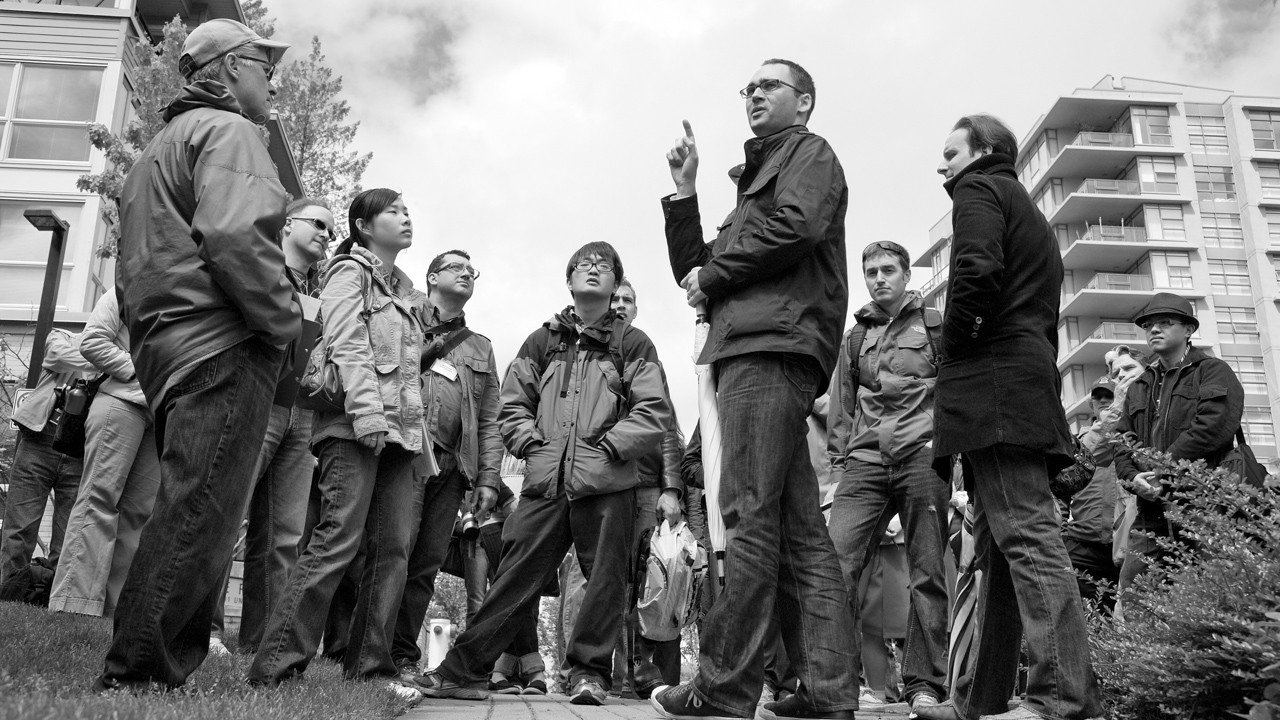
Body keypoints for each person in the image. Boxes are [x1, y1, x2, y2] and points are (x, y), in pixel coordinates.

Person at [97, 18, 299, 691]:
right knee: (200, 512)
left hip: (169, 346)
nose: (272, 77)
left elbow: (134, 266)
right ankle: (141, 672)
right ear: (233, 66)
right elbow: (237, 236)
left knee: (187, 505)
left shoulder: (158, 147)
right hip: (222, 340)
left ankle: (145, 663)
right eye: (263, 64)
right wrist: (285, 322)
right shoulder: (233, 131)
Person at [656, 58, 859, 720]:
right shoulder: (756, 187)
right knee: (799, 533)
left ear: (804, 102)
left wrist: (712, 281)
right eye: (748, 87)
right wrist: (683, 192)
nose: (753, 94)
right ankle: (829, 694)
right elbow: (697, 270)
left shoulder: (808, 154)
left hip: (771, 347)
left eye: (769, 85)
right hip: (757, 346)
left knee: (745, 517)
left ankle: (723, 690)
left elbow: (793, 229)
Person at [415, 241, 673, 707]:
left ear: (615, 283)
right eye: (583, 264)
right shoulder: (543, 340)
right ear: (570, 278)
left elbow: (653, 411)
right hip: (545, 481)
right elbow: (512, 405)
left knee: (605, 581)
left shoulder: (633, 343)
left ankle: (588, 675)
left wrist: (609, 448)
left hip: (607, 481)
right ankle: (463, 671)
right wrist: (533, 447)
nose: (593, 270)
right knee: (514, 575)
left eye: (604, 266)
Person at [916, 114, 1101, 720]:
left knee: (1026, 536)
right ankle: (981, 699)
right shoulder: (1033, 216)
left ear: (985, 152)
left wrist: (955, 350)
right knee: (998, 553)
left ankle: (1058, 700)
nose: (942, 166)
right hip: (1021, 387)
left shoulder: (980, 188)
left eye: (950, 153)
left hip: (994, 387)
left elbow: (975, 272)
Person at [248, 188, 431, 702]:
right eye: (395, 210)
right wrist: (369, 413)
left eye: (407, 209)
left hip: (400, 437)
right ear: (365, 225)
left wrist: (418, 445)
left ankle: (370, 670)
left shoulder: (405, 290)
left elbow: (410, 377)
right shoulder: (347, 271)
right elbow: (347, 342)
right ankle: (276, 666)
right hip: (354, 427)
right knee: (335, 541)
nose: (406, 216)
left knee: (393, 549)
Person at [826, 240, 948, 711]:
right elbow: (841, 407)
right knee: (836, 564)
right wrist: (839, 467)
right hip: (866, 461)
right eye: (870, 271)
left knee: (927, 571)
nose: (878, 278)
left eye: (887, 270)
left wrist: (948, 450)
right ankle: (838, 681)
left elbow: (954, 390)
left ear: (905, 275)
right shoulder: (855, 338)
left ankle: (924, 683)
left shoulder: (935, 326)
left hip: (923, 454)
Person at [392, 249, 503, 677]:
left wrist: (488, 479)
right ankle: (362, 652)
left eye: (471, 270)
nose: (466, 274)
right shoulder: (404, 317)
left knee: (425, 565)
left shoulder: (480, 346)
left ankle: (401, 657)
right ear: (432, 276)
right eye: (456, 267)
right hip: (404, 455)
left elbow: (491, 417)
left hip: (453, 469)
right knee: (390, 553)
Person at [234, 197, 334, 653]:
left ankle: (260, 645)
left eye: (330, 232)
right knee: (226, 518)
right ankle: (204, 631)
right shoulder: (264, 267)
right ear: (288, 223)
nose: (326, 236)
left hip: (302, 416)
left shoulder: (323, 287)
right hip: (257, 404)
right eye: (318, 224)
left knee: (284, 537)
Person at [1113, 292, 1244, 592]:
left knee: (1212, 600)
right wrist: (1134, 478)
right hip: (1150, 514)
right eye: (1148, 325)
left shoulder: (1212, 371)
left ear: (1188, 329)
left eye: (1164, 322)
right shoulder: (1141, 385)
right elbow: (1121, 442)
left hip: (1203, 508)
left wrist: (1162, 470)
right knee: (1137, 602)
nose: (1153, 329)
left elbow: (1214, 426)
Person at [48, 291, 159, 617]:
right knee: (99, 499)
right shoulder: (128, 286)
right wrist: (144, 371)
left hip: (159, 415)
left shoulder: (190, 295)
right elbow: (93, 341)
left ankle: (112, 614)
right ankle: (74, 604)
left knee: (137, 514)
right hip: (120, 403)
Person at [608, 278, 685, 698]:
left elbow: (667, 425)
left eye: (627, 300)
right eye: (614, 298)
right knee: (602, 582)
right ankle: (602, 675)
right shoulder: (589, 347)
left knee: (651, 583)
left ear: (636, 308)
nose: (620, 305)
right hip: (600, 482)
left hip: (646, 485)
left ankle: (643, 674)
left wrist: (670, 487)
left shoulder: (645, 349)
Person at [0, 329, 95, 592]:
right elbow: (55, 355)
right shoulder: (63, 335)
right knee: (19, 526)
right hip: (41, 438)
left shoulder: (127, 352)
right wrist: (104, 357)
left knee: (67, 536)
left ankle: (48, 597)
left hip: (82, 448)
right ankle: (9, 594)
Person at [1064, 377, 1120, 612]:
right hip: (1082, 546)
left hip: (1124, 548)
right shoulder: (1077, 442)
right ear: (1091, 404)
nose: (1104, 400)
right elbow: (1059, 487)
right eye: (1098, 396)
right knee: (1085, 621)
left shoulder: (1134, 438)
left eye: (1110, 395)